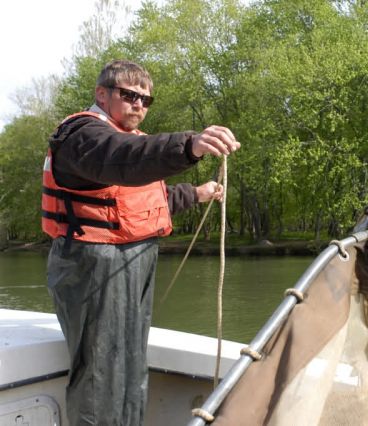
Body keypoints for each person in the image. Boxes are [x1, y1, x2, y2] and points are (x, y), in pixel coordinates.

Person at [42, 59, 240, 426]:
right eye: (130, 95)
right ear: (102, 94)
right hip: (94, 264)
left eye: (146, 100)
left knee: (130, 363)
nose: (139, 105)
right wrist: (190, 145)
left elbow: (146, 198)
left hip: (132, 261)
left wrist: (197, 193)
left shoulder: (128, 142)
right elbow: (124, 159)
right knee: (101, 371)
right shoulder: (83, 136)